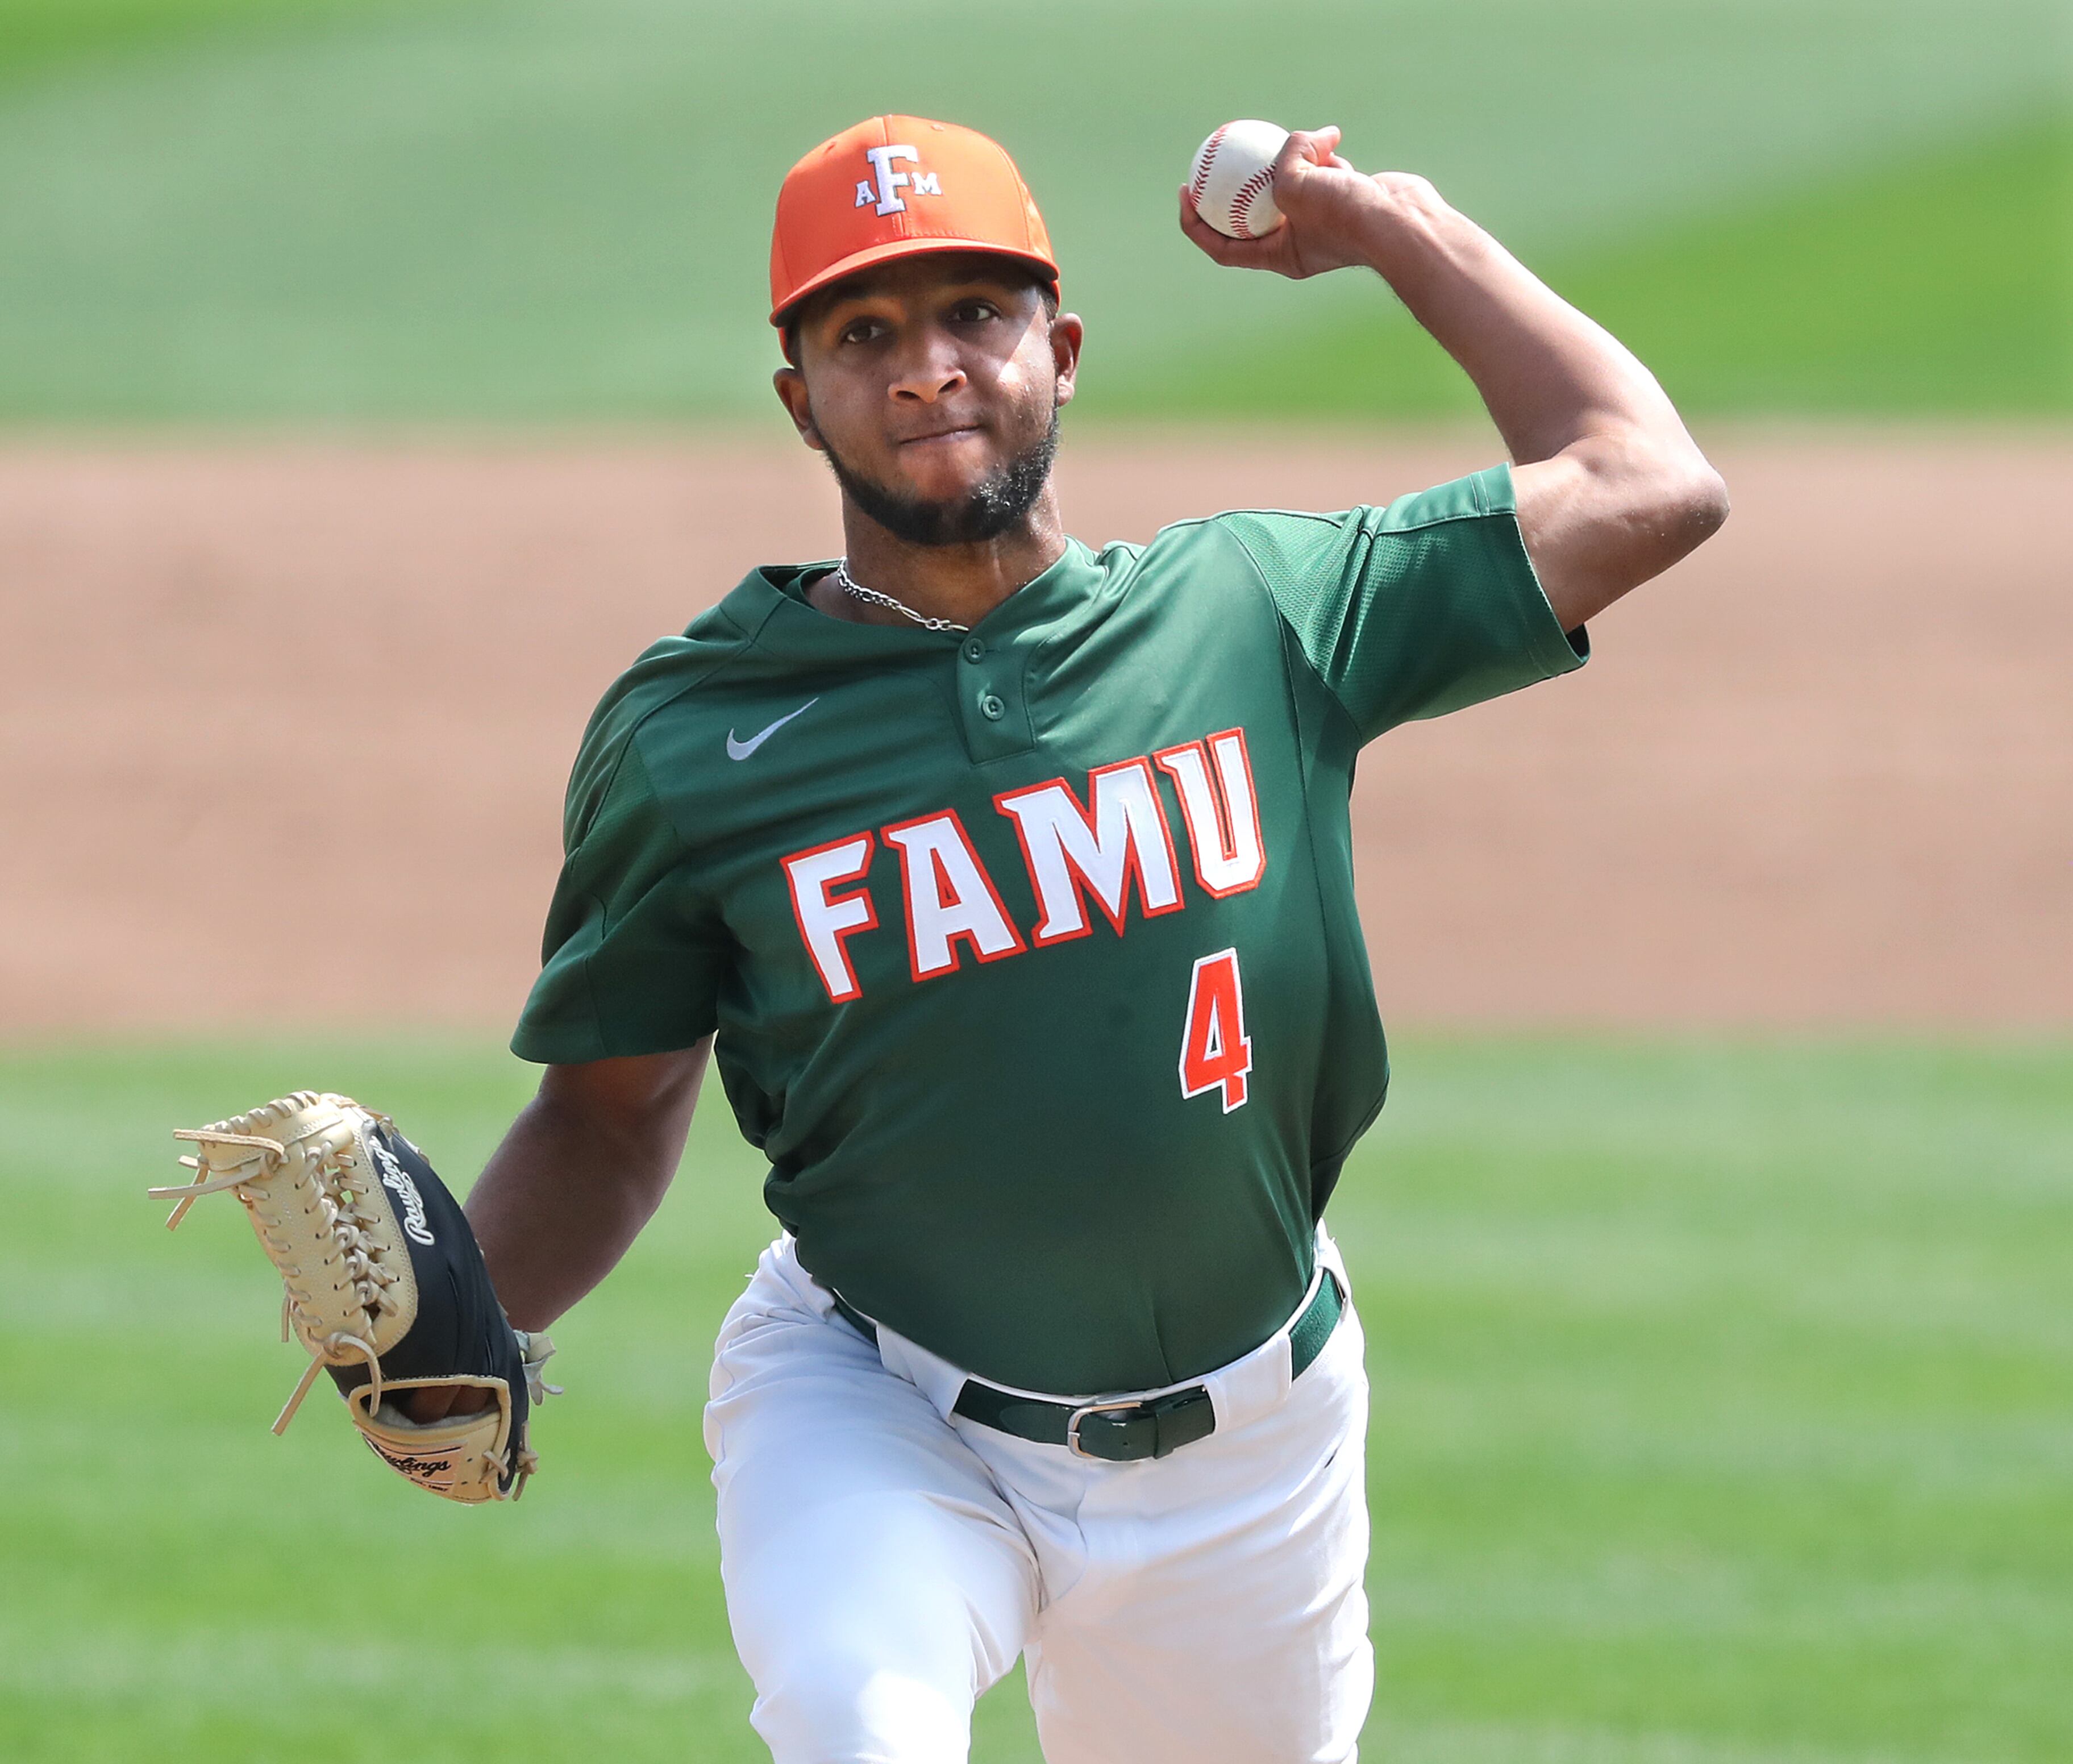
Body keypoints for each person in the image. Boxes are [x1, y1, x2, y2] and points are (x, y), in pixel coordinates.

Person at [460, 114, 1728, 1762]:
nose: (928, 370)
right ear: (801, 400)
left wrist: (1397, 225)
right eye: (865, 335)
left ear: (1059, 352)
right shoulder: (699, 738)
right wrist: (467, 1328)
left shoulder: (1254, 616)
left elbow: (1650, 481)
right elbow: (607, 1112)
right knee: (863, 1724)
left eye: (973, 316)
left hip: (1252, 1462)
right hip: (884, 1410)